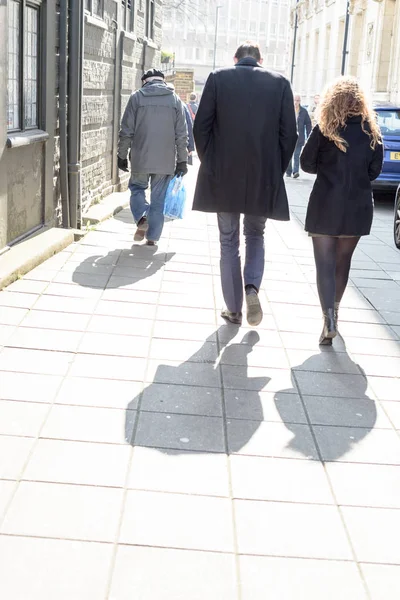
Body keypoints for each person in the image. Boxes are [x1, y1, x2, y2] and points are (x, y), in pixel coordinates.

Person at [193, 41, 297, 327]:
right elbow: (290, 134)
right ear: (260, 59)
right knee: (256, 234)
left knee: (228, 241)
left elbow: (200, 126)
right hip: (262, 175)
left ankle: (233, 309)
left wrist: (210, 161)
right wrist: (275, 167)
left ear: (235, 58)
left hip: (224, 175)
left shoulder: (217, 78)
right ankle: (252, 288)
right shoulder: (280, 84)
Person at [300, 76, 383, 345]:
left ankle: (329, 319)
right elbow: (374, 171)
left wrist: (327, 167)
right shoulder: (371, 131)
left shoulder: (324, 129)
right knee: (342, 261)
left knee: (324, 264)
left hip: (325, 202)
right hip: (357, 206)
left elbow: (306, 164)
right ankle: (335, 312)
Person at [118, 68, 188, 246]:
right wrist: (182, 160)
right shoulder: (175, 100)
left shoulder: (137, 98)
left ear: (145, 81)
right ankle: (152, 239)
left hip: (140, 156)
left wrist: (122, 155)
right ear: (163, 81)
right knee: (159, 199)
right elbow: (182, 134)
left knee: (137, 189)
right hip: (165, 160)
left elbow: (126, 130)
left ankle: (141, 218)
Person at [286, 94, 312, 179]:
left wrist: (309, 135)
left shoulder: (303, 111)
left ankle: (295, 171)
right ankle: (288, 171)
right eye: (294, 100)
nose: (296, 102)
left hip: (299, 137)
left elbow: (308, 124)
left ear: (300, 101)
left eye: (297, 100)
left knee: (296, 155)